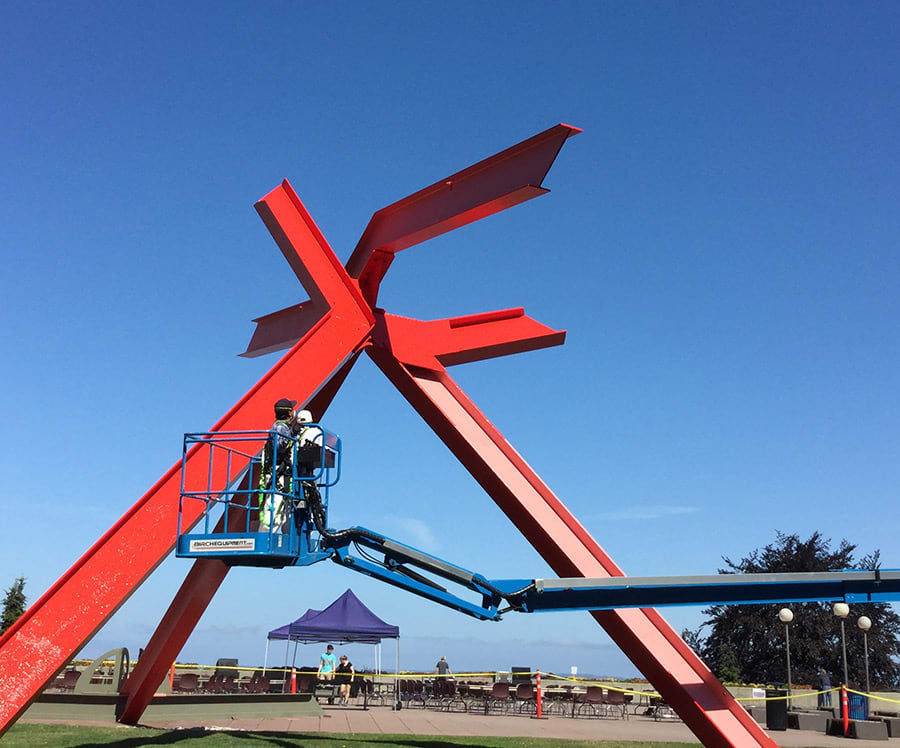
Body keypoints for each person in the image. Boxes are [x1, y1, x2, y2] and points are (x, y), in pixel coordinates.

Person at [258, 398, 296, 532]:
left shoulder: (285, 427)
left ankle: (285, 541)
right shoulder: (280, 427)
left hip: (283, 473)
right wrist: (291, 436)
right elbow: (279, 447)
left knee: (285, 512)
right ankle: (265, 540)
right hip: (278, 472)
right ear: (289, 413)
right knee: (273, 508)